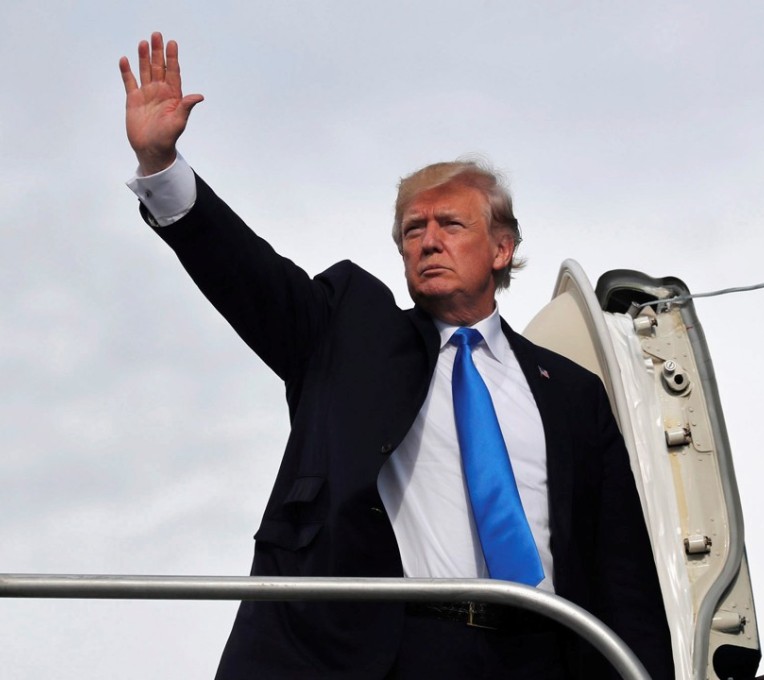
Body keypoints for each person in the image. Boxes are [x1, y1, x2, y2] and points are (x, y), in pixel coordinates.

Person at [118, 33, 673, 679]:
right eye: (413, 229)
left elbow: (622, 572)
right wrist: (162, 168)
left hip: (540, 655)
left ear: (501, 248)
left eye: (450, 225)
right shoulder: (349, 333)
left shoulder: (572, 393)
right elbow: (251, 277)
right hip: (384, 651)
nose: (427, 241)